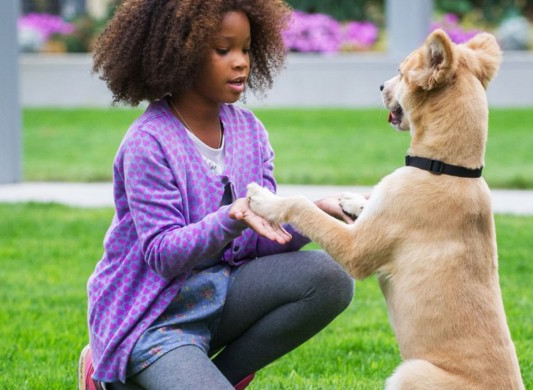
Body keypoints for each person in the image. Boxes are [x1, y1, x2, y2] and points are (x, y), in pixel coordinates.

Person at [77, 1, 355, 389]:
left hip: (219, 295)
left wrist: (315, 215)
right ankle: (107, 373)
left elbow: (263, 241)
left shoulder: (250, 132)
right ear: (181, 55)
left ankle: (216, 378)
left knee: (331, 277)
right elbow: (162, 254)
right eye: (223, 50)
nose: (241, 62)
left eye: (245, 49)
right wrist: (228, 218)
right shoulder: (148, 143)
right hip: (153, 320)